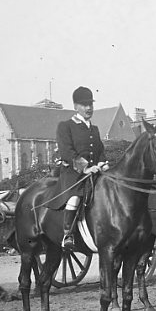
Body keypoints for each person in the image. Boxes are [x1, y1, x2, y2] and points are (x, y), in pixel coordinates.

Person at [52, 86, 109, 250]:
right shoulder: (66, 126)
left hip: (94, 174)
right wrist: (85, 168)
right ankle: (67, 234)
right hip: (73, 174)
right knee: (75, 198)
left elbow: (100, 150)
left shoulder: (94, 128)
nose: (89, 108)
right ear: (76, 106)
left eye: (91, 104)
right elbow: (66, 151)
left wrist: (102, 163)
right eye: (84, 105)